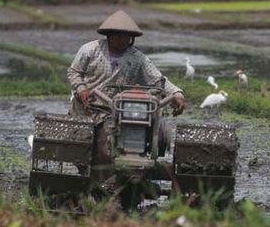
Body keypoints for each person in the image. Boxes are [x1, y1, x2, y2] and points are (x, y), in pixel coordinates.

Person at [67, 9, 185, 169]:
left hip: (115, 110)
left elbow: (157, 79)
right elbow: (74, 72)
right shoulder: (90, 50)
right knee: (79, 149)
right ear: (110, 35)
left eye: (128, 36)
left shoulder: (137, 58)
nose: (125, 39)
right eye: (120, 35)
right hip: (87, 106)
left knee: (114, 140)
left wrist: (176, 93)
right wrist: (81, 90)